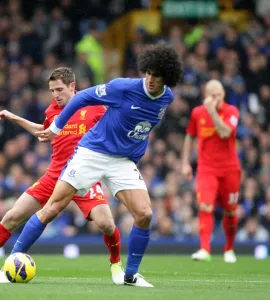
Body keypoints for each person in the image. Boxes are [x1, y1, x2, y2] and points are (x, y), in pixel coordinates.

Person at [12, 44, 183, 287]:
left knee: (144, 214)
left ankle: (130, 276)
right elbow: (82, 97)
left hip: (122, 161)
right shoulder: (123, 87)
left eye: (157, 75)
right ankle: (12, 262)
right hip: (93, 152)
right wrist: (56, 127)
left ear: (168, 76)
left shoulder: (167, 97)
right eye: (148, 72)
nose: (150, 79)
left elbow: (141, 127)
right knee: (53, 208)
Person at [0, 67, 124, 284]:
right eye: (51, 90)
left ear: (72, 87)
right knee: (11, 217)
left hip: (84, 176)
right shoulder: (52, 111)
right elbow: (44, 133)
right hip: (55, 175)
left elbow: (113, 128)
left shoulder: (93, 107)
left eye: (59, 89)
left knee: (106, 224)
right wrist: (13, 118)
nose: (55, 95)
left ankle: (116, 265)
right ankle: (9, 266)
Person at [181, 79, 241, 263]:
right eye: (212, 95)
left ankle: (229, 249)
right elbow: (189, 137)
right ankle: (205, 249)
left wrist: (213, 112)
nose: (216, 98)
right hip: (206, 168)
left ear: (223, 94)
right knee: (205, 206)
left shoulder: (232, 111)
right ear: (206, 95)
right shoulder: (197, 113)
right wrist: (185, 162)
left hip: (230, 168)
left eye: (219, 95)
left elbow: (225, 133)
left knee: (230, 211)